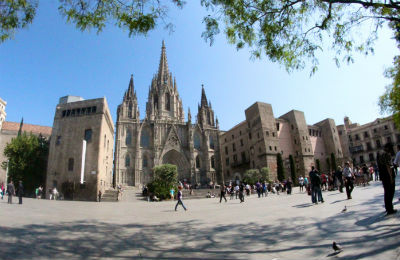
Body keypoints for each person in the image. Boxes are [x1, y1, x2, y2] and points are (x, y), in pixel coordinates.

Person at [378, 143, 397, 215]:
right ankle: (390, 209)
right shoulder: (386, 154)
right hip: (388, 176)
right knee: (391, 191)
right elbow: (388, 167)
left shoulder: (379, 154)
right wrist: (391, 177)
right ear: (388, 148)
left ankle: (387, 207)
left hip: (383, 176)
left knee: (386, 192)